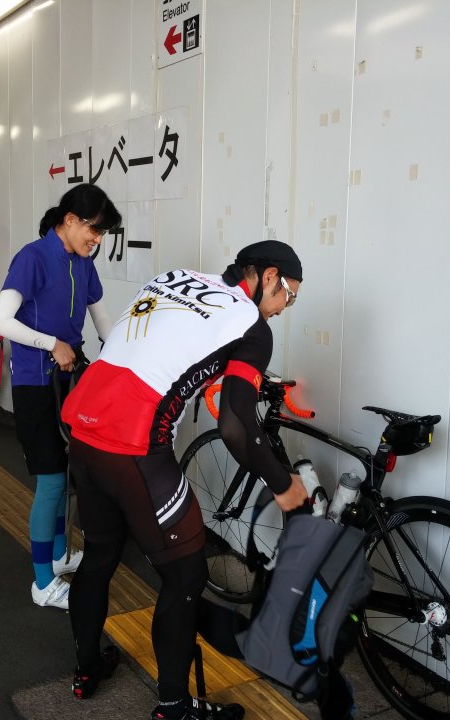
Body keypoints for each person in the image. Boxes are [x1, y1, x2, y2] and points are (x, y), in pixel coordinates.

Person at [60, 241, 309, 720]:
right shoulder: (251, 325)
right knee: (186, 577)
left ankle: (86, 669)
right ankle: (174, 706)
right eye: (288, 296)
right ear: (270, 276)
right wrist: (283, 484)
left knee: (98, 557)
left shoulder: (176, 278)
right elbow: (236, 425)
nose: (282, 309)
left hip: (84, 432)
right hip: (135, 450)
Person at [0, 183, 121, 611]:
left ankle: (61, 555)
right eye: (94, 230)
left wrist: (123, 364)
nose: (97, 240)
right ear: (69, 221)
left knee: (69, 476)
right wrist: (50, 343)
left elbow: (103, 324)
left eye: (102, 234)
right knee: (50, 481)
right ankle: (43, 582)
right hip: (35, 383)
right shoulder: (32, 258)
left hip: (71, 382)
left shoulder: (84, 263)